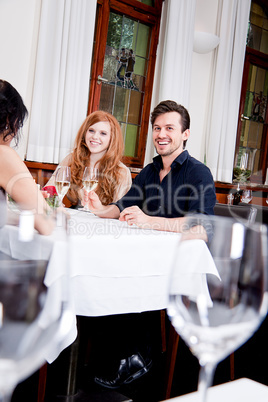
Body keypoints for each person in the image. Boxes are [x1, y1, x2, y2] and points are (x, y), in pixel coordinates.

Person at [86, 100, 216, 389]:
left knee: (121, 274)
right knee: (106, 268)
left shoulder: (198, 172)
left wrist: (148, 221)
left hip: (183, 266)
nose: (161, 134)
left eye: (169, 127)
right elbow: (122, 208)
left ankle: (138, 358)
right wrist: (99, 208)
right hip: (148, 257)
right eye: (157, 128)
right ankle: (118, 355)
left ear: (185, 134)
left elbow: (203, 228)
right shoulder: (149, 170)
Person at [45, 110, 132, 208]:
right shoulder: (72, 159)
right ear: (84, 132)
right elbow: (50, 189)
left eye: (103, 133)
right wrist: (54, 202)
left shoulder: (122, 171)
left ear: (112, 139)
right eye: (91, 130)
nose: (95, 137)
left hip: (104, 221)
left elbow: (120, 209)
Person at [0, 79, 54, 235]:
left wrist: (26, 202)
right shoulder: (4, 155)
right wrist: (46, 208)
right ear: (10, 121)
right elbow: (46, 224)